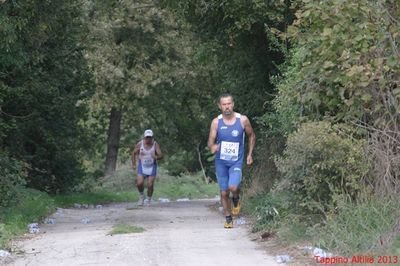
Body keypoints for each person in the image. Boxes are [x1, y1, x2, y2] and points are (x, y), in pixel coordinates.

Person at [208, 93, 256, 228]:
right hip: (221, 162)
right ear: (220, 106)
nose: (227, 107)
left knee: (233, 187)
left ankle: (236, 199)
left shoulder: (242, 120)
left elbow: (252, 136)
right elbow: (210, 141)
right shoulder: (216, 122)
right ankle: (228, 218)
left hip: (236, 161)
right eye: (224, 104)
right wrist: (212, 146)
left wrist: (250, 154)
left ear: (233, 104)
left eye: (229, 104)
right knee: (224, 192)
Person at [131, 129, 163, 206]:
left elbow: (161, 155)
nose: (148, 139)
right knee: (139, 183)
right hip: (142, 166)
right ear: (144, 137)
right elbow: (133, 153)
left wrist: (155, 157)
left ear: (152, 137)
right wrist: (134, 163)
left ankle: (149, 199)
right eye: (147, 137)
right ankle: (142, 197)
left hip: (152, 166)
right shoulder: (140, 144)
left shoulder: (155, 144)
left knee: (150, 184)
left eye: (150, 137)